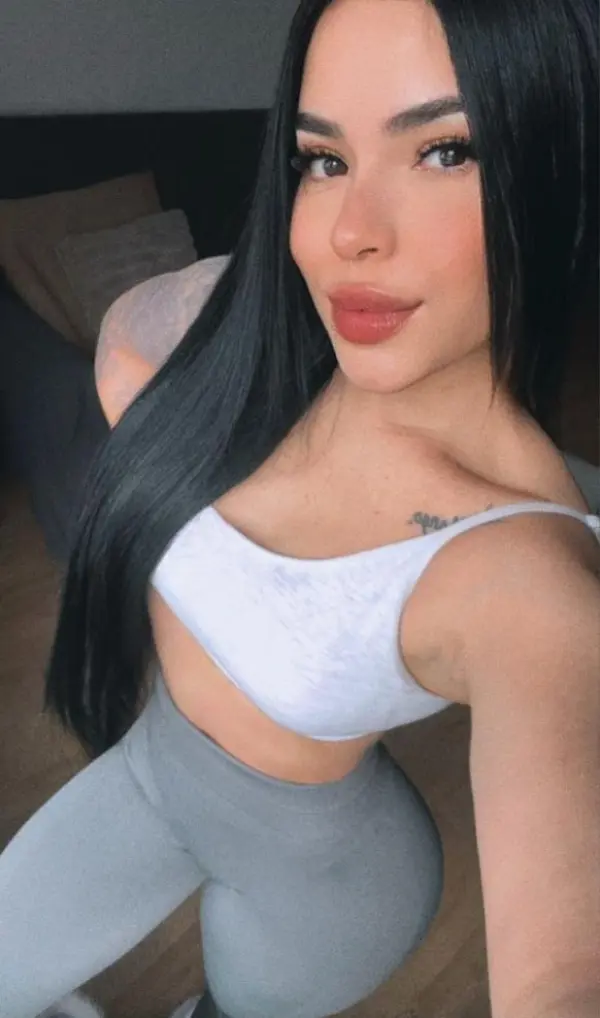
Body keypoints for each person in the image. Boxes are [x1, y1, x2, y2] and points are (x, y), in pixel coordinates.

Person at [1, 1, 599, 1016]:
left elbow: (563, 976)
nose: (348, 232)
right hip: (148, 776)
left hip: (330, 888)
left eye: (445, 150)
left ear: (555, 173)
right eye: (323, 161)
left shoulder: (528, 578)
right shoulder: (250, 336)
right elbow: (137, 334)